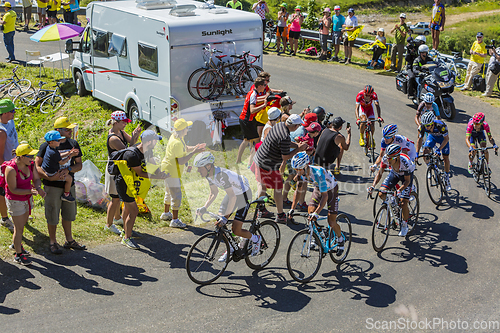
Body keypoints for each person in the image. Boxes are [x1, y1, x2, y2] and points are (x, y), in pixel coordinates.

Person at [193, 152, 261, 261]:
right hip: (232, 194)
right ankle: (232, 247)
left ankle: (256, 239)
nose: (198, 171)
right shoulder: (209, 175)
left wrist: (226, 217)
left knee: (236, 230)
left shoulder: (221, 176)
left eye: (200, 168)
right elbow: (213, 193)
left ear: (208, 166)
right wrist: (204, 207)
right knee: (219, 223)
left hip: (243, 194)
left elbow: (233, 197)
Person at [35, 117, 86, 255]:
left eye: (71, 128)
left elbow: (79, 165)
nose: (70, 131)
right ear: (58, 130)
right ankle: (53, 242)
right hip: (52, 186)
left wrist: (68, 170)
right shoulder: (47, 145)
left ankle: (69, 240)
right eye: (67, 129)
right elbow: (37, 165)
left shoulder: (73, 143)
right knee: (52, 215)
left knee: (69, 214)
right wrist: (49, 177)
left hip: (69, 185)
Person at [116, 130, 169, 249]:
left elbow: (152, 163)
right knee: (134, 211)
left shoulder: (147, 149)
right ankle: (126, 239)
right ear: (149, 141)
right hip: (124, 183)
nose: (157, 142)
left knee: (128, 209)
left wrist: (160, 172)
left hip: (132, 182)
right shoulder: (132, 154)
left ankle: (126, 231)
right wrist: (158, 177)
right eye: (155, 140)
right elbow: (140, 173)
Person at [254, 114, 308, 223]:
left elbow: (286, 143)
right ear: (295, 126)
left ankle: (260, 209)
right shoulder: (284, 136)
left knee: (262, 184)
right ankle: (280, 215)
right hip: (269, 165)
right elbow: (285, 157)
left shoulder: (279, 125)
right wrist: (299, 149)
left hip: (259, 159)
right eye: (298, 126)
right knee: (278, 188)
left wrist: (297, 145)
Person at [288, 152, 345, 253]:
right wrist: (292, 209)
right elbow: (298, 191)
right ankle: (319, 234)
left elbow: (325, 196)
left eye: (299, 169)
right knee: (310, 214)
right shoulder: (301, 174)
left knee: (331, 222)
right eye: (295, 169)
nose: (297, 172)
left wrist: (317, 213)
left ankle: (340, 239)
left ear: (305, 166)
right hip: (319, 188)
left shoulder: (318, 174)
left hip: (331, 189)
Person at [5, 144, 46, 265]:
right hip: (15, 200)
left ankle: (16, 244)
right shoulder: (11, 169)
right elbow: (13, 189)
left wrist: (38, 188)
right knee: (19, 228)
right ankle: (18, 255)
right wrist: (30, 191)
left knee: (21, 225)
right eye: (30, 156)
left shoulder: (31, 165)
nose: (32, 158)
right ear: (21, 157)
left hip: (26, 198)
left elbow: (36, 178)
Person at [160, 118, 205, 228]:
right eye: (187, 128)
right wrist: (194, 152)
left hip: (166, 168)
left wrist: (194, 147)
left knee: (169, 192)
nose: (188, 129)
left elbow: (185, 148)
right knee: (176, 195)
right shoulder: (177, 143)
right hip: (172, 171)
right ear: (182, 130)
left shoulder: (177, 137)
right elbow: (181, 160)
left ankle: (166, 214)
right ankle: (174, 220)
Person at [104, 111, 141, 234]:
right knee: (115, 199)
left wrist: (135, 135)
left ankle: (117, 218)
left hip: (121, 167)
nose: (125, 124)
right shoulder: (114, 138)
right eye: (124, 122)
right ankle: (108, 225)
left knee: (118, 197)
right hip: (114, 169)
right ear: (116, 122)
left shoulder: (120, 132)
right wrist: (134, 139)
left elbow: (132, 142)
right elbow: (127, 152)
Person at [368, 144, 415, 237]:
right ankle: (393, 206)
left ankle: (405, 225)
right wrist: (373, 186)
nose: (388, 160)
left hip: (406, 177)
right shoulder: (386, 158)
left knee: (403, 203)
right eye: (388, 157)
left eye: (391, 159)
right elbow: (379, 173)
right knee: (381, 193)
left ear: (397, 157)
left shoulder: (405, 163)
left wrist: (399, 190)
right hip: (395, 173)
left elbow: (406, 181)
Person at [236, 77, 270, 165]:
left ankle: (238, 160)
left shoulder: (251, 92)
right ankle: (253, 163)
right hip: (247, 120)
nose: (265, 87)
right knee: (258, 142)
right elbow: (252, 110)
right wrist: (264, 105)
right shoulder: (254, 95)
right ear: (259, 86)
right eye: (264, 85)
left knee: (246, 141)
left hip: (243, 119)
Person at [416, 112, 452, 191]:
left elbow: (446, 139)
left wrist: (439, 149)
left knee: (445, 158)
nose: (427, 127)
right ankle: (430, 166)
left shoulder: (441, 125)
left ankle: (446, 177)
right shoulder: (423, 127)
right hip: (432, 137)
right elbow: (419, 140)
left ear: (432, 123)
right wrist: (417, 153)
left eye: (428, 125)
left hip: (442, 139)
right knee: (425, 151)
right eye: (425, 125)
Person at [41, 130, 78, 203]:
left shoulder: (50, 148)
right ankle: (66, 194)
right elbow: (62, 161)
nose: (60, 141)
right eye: (58, 140)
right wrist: (70, 156)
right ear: (51, 142)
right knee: (69, 179)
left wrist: (68, 152)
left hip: (46, 170)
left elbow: (59, 155)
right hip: (51, 173)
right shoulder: (53, 152)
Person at [0, 99, 17, 232]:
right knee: (3, 192)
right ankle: (5, 218)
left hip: (15, 161)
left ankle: (18, 214)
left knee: (16, 188)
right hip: (6, 166)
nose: (14, 113)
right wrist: (4, 169)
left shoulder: (10, 121)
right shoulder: (1, 132)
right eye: (12, 111)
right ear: (4, 113)